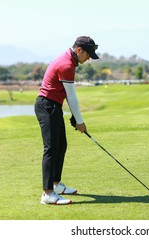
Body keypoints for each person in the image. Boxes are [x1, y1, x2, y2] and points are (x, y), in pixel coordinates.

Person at [34, 36, 99, 205]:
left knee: (61, 146)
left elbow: (66, 95)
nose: (89, 59)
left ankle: (56, 185)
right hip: (46, 106)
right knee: (50, 149)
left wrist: (74, 116)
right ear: (79, 50)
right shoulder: (67, 65)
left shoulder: (68, 59)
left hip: (53, 106)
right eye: (88, 55)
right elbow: (72, 96)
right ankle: (47, 193)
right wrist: (79, 121)